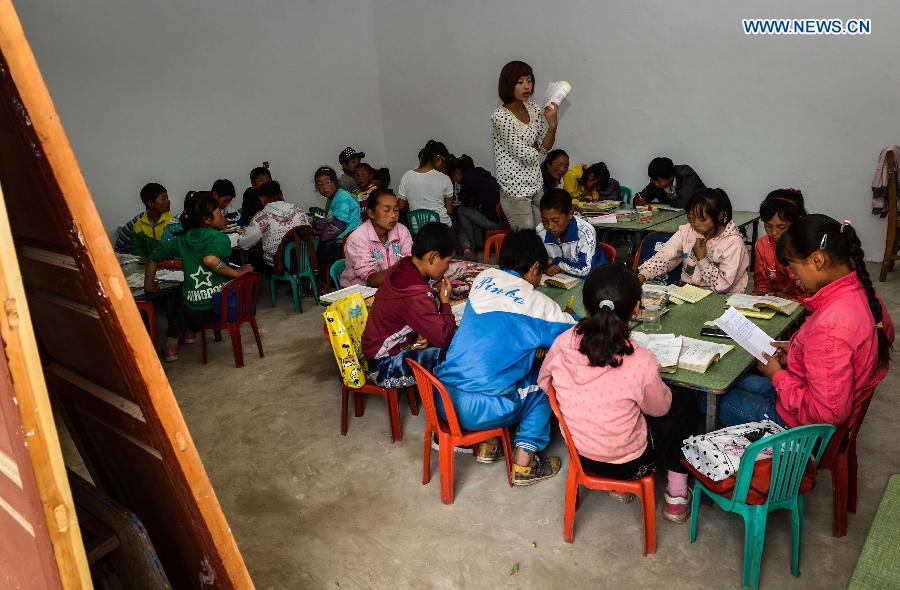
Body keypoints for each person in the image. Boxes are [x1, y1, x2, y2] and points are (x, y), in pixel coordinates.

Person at [538, 264, 696, 522]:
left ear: (586, 307)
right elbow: (660, 409)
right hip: (628, 465)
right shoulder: (640, 360)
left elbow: (546, 383)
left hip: (580, 456)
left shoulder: (563, 342)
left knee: (634, 407)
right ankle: (676, 497)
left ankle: (620, 488)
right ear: (637, 308)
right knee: (684, 401)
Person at [715, 214, 894, 428]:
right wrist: (798, 350)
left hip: (800, 426)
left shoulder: (831, 325)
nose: (794, 275)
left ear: (818, 260)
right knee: (727, 382)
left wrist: (778, 376)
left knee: (707, 398)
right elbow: (857, 349)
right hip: (805, 388)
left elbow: (826, 414)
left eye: (794, 266)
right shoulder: (863, 294)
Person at [435, 229, 575, 485]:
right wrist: (568, 317)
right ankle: (525, 462)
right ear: (535, 267)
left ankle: (489, 444)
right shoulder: (539, 305)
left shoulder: (483, 278)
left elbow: (498, 332)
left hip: (443, 399)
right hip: (480, 410)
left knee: (496, 366)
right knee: (545, 382)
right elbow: (574, 332)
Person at [144, 193, 253, 361]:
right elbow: (210, 260)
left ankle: (172, 347)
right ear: (207, 220)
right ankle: (189, 332)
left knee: (179, 303)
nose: (224, 216)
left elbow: (153, 256)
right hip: (218, 308)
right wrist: (237, 272)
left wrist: (149, 285)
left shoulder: (182, 239)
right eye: (220, 213)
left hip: (192, 309)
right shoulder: (220, 238)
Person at [361, 222, 458, 387]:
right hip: (384, 367)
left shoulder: (405, 265)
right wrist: (445, 302)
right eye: (447, 262)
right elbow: (443, 338)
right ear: (433, 257)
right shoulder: (416, 295)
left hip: (389, 349)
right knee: (456, 352)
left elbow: (408, 313)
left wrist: (418, 333)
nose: (447, 268)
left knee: (447, 336)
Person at [638, 188, 749, 294]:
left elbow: (722, 285)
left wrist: (702, 259)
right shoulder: (687, 231)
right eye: (691, 217)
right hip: (689, 293)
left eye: (702, 219)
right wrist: (642, 275)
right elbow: (665, 256)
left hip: (721, 299)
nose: (695, 223)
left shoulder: (734, 243)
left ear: (720, 216)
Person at [492, 61, 559, 230]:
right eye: (520, 82)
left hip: (535, 183)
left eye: (529, 81)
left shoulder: (533, 108)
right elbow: (526, 154)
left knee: (545, 231)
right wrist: (536, 148)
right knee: (527, 235)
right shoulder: (500, 117)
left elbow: (545, 147)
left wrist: (552, 125)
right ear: (509, 85)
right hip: (514, 189)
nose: (526, 86)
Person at [341, 189, 412, 287]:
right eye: (386, 210)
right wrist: (403, 267)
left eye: (396, 210)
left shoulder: (402, 230)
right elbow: (372, 280)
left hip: (393, 286)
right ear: (371, 213)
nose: (393, 215)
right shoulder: (358, 238)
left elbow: (411, 262)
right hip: (361, 293)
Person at [753, 189, 812, 301]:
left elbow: (818, 290)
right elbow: (762, 283)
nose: (773, 233)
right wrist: (759, 296)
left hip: (807, 306)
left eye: (781, 227)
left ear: (798, 221)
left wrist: (799, 302)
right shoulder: (763, 245)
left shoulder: (809, 245)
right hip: (776, 305)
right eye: (768, 226)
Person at [238, 180, 311, 268]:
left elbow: (244, 244)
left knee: (253, 257)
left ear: (262, 199)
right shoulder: (299, 211)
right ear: (281, 194)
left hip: (278, 264)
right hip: (303, 260)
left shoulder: (262, 217)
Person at [537, 189, 605, 278]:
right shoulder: (540, 231)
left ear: (570, 214)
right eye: (545, 220)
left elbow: (585, 270)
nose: (550, 226)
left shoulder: (585, 232)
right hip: (561, 281)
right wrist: (546, 268)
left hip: (593, 280)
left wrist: (555, 261)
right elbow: (534, 261)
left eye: (555, 220)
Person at [314, 166, 362, 280]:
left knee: (319, 248)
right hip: (343, 239)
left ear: (335, 182)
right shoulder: (332, 198)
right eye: (320, 184)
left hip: (349, 241)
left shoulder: (342, 196)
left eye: (328, 182)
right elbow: (331, 219)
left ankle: (324, 281)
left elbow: (339, 223)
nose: (324, 187)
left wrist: (322, 236)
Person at [449, 154, 502, 256]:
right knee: (471, 211)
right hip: (502, 219)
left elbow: (463, 202)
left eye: (453, 177)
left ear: (457, 172)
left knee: (461, 211)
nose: (455, 180)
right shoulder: (481, 174)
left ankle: (472, 246)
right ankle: (478, 245)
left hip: (494, 222)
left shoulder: (467, 179)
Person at [397, 140, 454, 225]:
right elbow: (449, 210)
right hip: (442, 228)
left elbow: (401, 206)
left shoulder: (407, 176)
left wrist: (416, 205)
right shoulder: (445, 178)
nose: (443, 166)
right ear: (438, 159)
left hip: (417, 229)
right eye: (444, 162)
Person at [636, 157, 706, 208]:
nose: (655, 184)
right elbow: (643, 195)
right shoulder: (657, 180)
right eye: (653, 180)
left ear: (670, 177)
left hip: (700, 214)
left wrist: (665, 203)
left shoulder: (686, 174)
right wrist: (638, 200)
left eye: (657, 181)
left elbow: (684, 204)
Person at [132, 182, 175, 258]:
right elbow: (138, 252)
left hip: (170, 265)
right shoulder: (138, 226)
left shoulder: (173, 222)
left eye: (167, 198)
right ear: (151, 204)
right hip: (149, 265)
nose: (168, 201)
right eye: (163, 199)